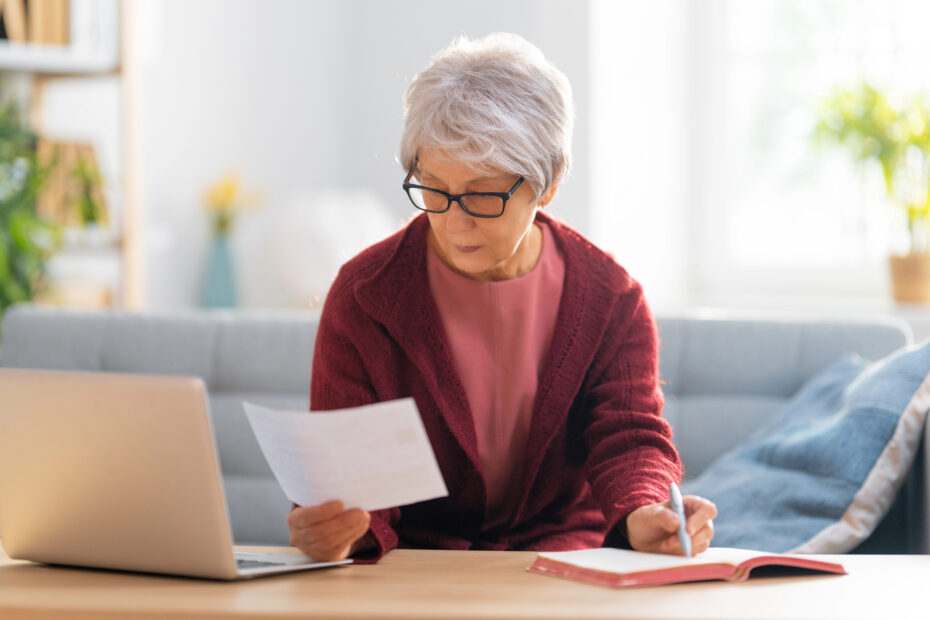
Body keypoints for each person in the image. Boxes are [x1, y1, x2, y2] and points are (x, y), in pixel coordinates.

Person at [287, 32, 716, 563]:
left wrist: (645, 509)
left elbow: (628, 435)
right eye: (434, 190)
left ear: (549, 184)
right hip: (416, 566)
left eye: (483, 194)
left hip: (561, 563)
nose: (454, 222)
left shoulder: (610, 298)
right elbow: (348, 480)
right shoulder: (365, 296)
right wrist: (340, 530)